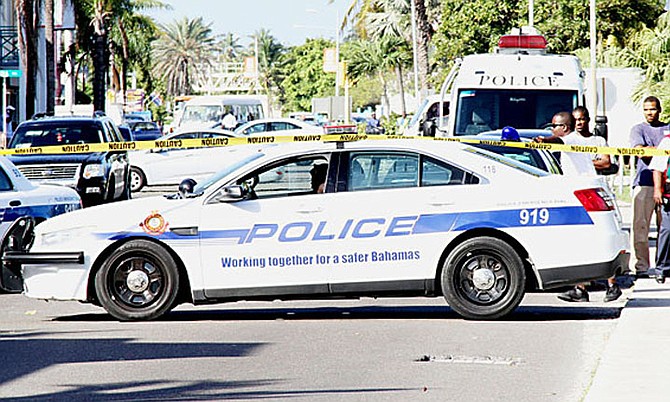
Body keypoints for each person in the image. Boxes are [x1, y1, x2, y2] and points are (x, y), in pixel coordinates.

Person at [557, 107, 621, 303]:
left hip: (593, 194)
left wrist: (585, 158)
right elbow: (557, 141)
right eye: (576, 120)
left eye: (582, 119)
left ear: (588, 120)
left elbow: (606, 163)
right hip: (574, 196)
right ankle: (580, 288)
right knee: (579, 240)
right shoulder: (570, 139)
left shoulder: (598, 141)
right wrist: (592, 159)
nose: (579, 123)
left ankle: (612, 285)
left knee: (602, 238)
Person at [629, 96, 668, 277]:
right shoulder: (638, 129)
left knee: (665, 228)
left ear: (659, 109)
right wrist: (660, 150)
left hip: (666, 186)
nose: (649, 112)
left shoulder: (667, 128)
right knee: (641, 227)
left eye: (652, 109)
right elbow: (640, 151)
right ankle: (642, 267)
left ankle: (664, 265)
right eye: (646, 109)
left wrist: (652, 149)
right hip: (644, 183)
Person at [533, 111, 596, 176]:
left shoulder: (571, 139)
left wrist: (544, 140)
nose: (552, 129)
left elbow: (558, 141)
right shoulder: (577, 138)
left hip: (581, 182)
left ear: (564, 127)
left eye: (554, 126)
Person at [649, 132, 670, 281]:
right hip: (669, 194)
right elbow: (657, 167)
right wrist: (657, 189)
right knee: (667, 231)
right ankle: (662, 268)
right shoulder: (667, 142)